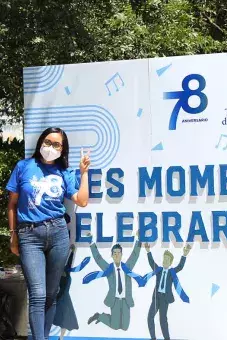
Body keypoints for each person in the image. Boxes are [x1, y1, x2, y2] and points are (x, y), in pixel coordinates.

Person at [6, 127, 90, 340]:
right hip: (29, 235)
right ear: (41, 142)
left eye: (57, 145)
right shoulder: (23, 167)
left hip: (58, 234)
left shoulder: (64, 172)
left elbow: (82, 200)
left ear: (63, 150)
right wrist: (13, 234)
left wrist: (84, 172)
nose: (51, 147)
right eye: (48, 142)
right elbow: (13, 203)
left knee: (51, 295)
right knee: (38, 294)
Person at [84, 235, 142, 331]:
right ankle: (99, 316)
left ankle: (102, 317)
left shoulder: (127, 267)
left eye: (118, 253)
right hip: (114, 300)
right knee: (115, 326)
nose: (116, 255)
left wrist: (139, 239)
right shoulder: (109, 269)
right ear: (111, 255)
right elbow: (98, 259)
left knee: (125, 328)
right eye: (114, 253)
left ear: (121, 255)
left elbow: (135, 255)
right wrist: (91, 242)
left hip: (126, 300)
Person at [144, 244, 191, 340]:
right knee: (150, 317)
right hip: (156, 297)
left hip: (165, 299)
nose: (165, 261)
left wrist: (184, 255)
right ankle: (153, 338)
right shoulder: (159, 270)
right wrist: (148, 251)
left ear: (170, 263)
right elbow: (151, 262)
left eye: (167, 260)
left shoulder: (172, 272)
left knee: (163, 320)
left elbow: (180, 266)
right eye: (164, 259)